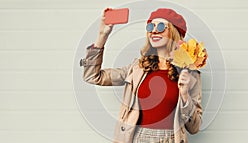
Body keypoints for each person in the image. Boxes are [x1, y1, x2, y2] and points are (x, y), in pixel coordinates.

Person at [80, 8, 203, 143]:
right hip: (137, 138)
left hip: (173, 139)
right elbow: (92, 76)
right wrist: (102, 36)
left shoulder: (189, 73)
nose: (154, 31)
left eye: (161, 26)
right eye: (150, 27)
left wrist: (185, 95)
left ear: (174, 32)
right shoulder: (137, 68)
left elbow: (194, 128)